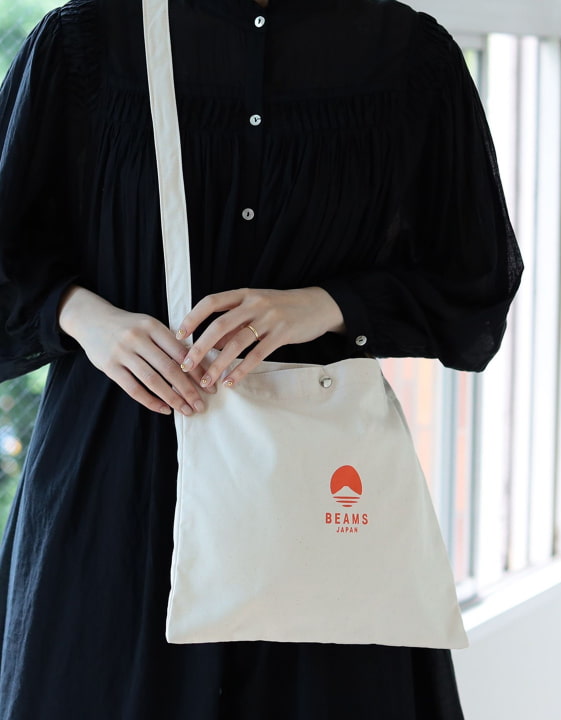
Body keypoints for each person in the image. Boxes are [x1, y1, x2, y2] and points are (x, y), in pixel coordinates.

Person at [0, 0, 523, 717]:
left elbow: (474, 282)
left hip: (315, 496)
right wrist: (88, 319)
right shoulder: (88, 43)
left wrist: (326, 305)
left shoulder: (407, 57)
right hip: (118, 490)